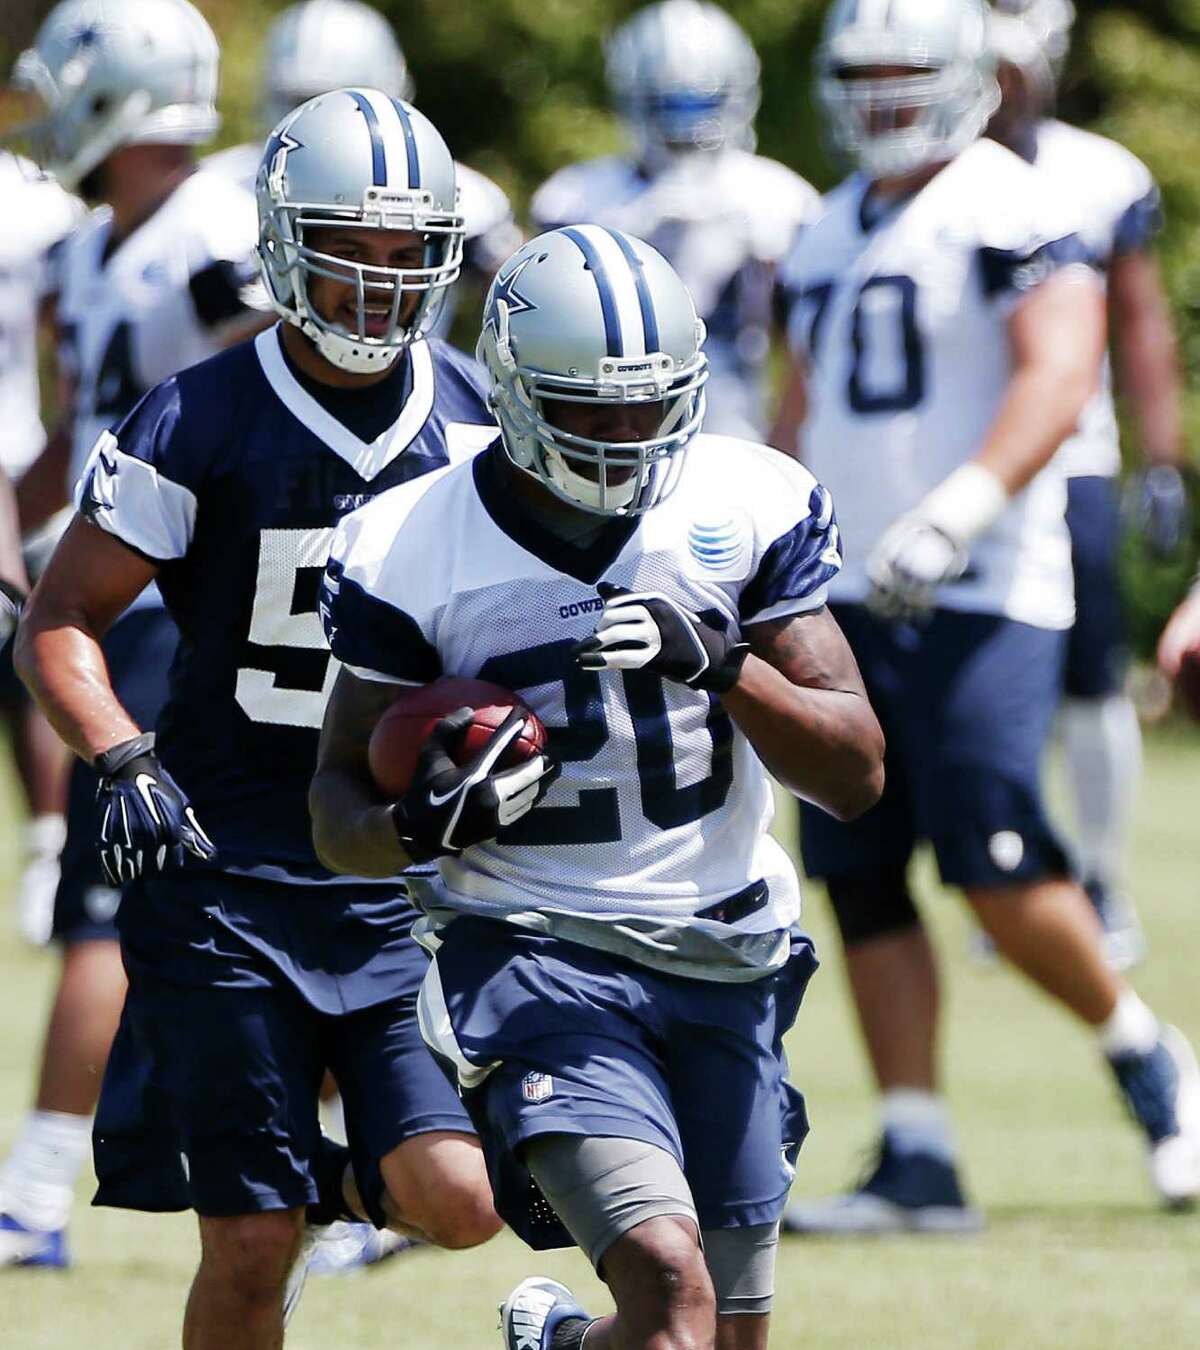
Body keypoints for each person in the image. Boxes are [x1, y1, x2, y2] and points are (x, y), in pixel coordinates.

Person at [311, 223, 885, 1350]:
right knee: (665, 1266)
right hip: (532, 951)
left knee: (719, 1346)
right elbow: (333, 814)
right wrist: (424, 812)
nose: (632, 440)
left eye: (654, 408)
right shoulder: (413, 540)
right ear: (512, 386)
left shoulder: (744, 504)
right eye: (597, 409)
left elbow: (854, 761)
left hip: (727, 953)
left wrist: (731, 669)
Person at [17, 87, 514, 1350]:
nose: (375, 286)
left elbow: (522, 637)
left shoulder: (477, 421)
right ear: (283, 257)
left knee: (462, 1199)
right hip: (223, 865)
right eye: (346, 254)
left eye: (402, 256)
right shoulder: (200, 413)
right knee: (247, 1240)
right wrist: (117, 758)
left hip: (390, 881)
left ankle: (468, 1303)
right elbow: (62, 622)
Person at [772, 0, 1200, 1234]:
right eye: (863, 72)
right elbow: (803, 406)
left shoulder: (1008, 200)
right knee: (856, 863)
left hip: (984, 583)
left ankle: (1144, 1053)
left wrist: (961, 508)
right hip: (841, 591)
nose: (882, 94)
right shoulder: (822, 223)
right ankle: (918, 1150)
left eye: (907, 69)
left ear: (966, 75)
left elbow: (1063, 372)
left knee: (994, 854)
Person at [0, 0, 264, 1271]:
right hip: (126, 600)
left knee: (112, 912)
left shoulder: (215, 232)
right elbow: (80, 437)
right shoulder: (105, 243)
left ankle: (36, 1192)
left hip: (183, 613)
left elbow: (276, 416)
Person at [986, 0, 1189, 969]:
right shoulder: (934, 183)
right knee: (990, 676)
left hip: (1073, 460)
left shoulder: (1099, 173)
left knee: (1092, 677)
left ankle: (1099, 879)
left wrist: (1162, 457)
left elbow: (1142, 322)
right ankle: (1014, 872)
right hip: (965, 469)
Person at [530, 0, 817, 442]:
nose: (686, 124)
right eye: (669, 105)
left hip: (735, 431)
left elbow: (808, 352)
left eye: (701, 103)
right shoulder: (577, 198)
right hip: (606, 427)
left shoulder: (777, 200)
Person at [205, 0, 521, 312]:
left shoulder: (459, 192)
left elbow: (517, 310)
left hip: (417, 361)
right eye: (303, 101)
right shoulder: (215, 190)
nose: (320, 123)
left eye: (342, 105)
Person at [0, 150, 82, 947]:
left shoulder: (36, 202)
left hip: (26, 471)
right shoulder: (39, 200)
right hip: (32, 464)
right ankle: (51, 852)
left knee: (42, 655)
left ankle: (50, 849)